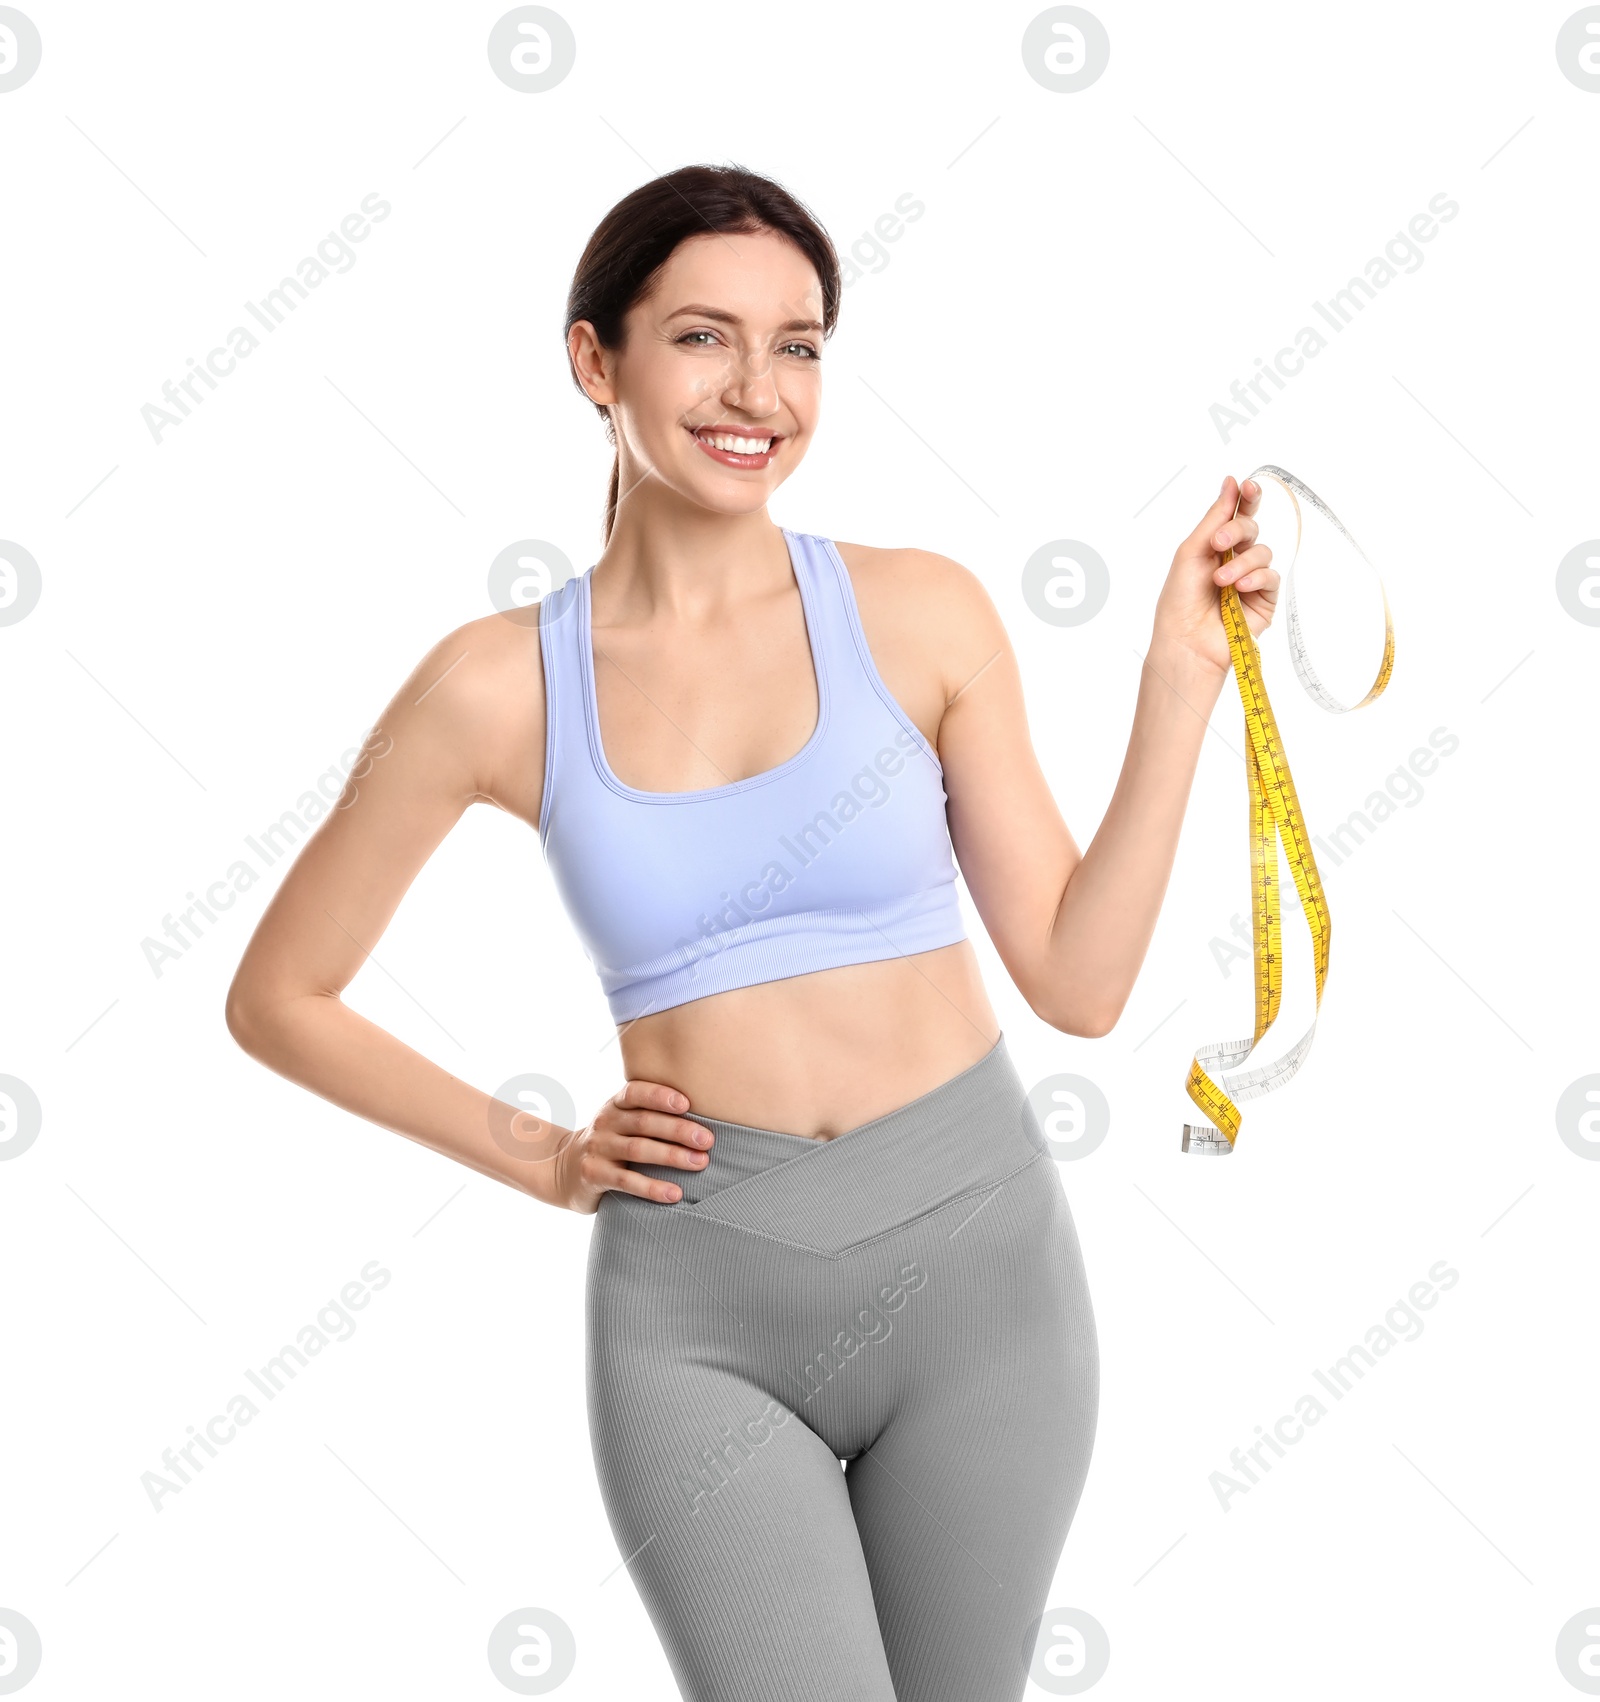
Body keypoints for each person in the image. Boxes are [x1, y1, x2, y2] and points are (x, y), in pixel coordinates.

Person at [225, 163, 1276, 1702]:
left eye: (799, 345)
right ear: (597, 361)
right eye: (704, 337)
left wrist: (1177, 678)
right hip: (698, 1322)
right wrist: (544, 1157)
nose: (759, 391)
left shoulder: (922, 615)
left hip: (982, 1279)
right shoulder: (495, 685)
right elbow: (280, 995)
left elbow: (1081, 977)